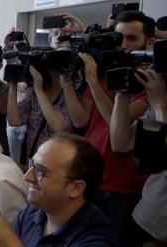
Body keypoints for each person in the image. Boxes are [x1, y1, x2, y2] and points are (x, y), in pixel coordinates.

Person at [0, 133, 123, 247]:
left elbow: (3, 235)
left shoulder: (97, 241)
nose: (27, 177)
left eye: (41, 171)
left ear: (75, 188)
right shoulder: (34, 213)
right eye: (31, 165)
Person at [61, 11, 154, 243]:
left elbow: (118, 124)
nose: (122, 45)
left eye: (132, 39)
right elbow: (80, 119)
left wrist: (92, 80)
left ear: (149, 42)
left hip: (122, 188)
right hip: (89, 178)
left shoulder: (149, 83)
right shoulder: (103, 73)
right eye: (118, 38)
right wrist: (66, 78)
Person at [111, 68, 167, 245]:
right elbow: (121, 143)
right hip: (149, 214)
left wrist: (160, 106)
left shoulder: (162, 104)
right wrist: (123, 96)